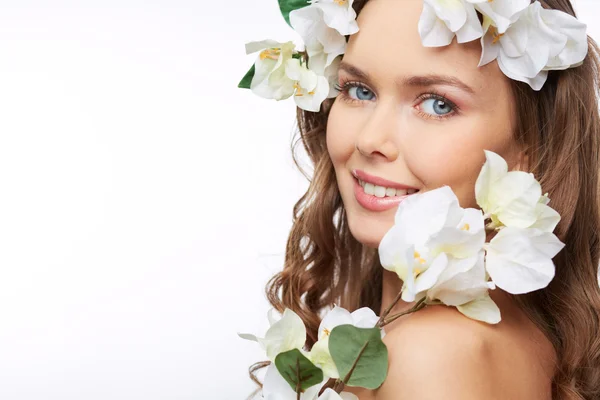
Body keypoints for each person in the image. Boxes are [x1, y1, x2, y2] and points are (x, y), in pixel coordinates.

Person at [246, 0, 600, 398]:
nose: (369, 140)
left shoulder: (428, 355)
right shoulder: (523, 340)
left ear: (529, 149)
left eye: (437, 104)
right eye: (358, 90)